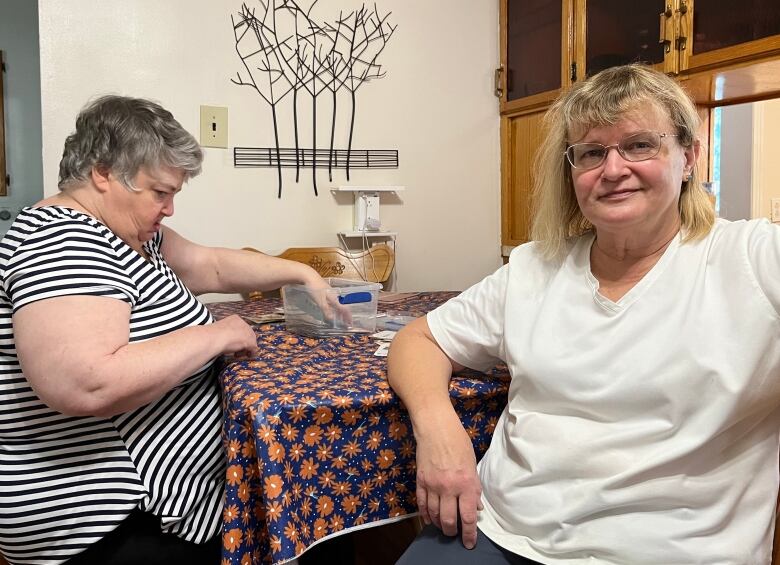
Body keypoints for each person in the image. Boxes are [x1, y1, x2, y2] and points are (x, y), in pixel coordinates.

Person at [389, 63, 780, 564]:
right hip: (500, 533)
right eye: (592, 153)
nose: (613, 170)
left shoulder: (751, 259)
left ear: (689, 157)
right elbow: (419, 340)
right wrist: (438, 428)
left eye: (640, 144)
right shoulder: (535, 266)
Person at [0, 95, 332, 565]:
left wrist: (300, 273)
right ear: (102, 173)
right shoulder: (62, 239)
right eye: (160, 192)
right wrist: (216, 334)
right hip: (101, 520)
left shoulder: (127, 234)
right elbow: (86, 382)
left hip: (153, 507)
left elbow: (212, 267)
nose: (170, 208)